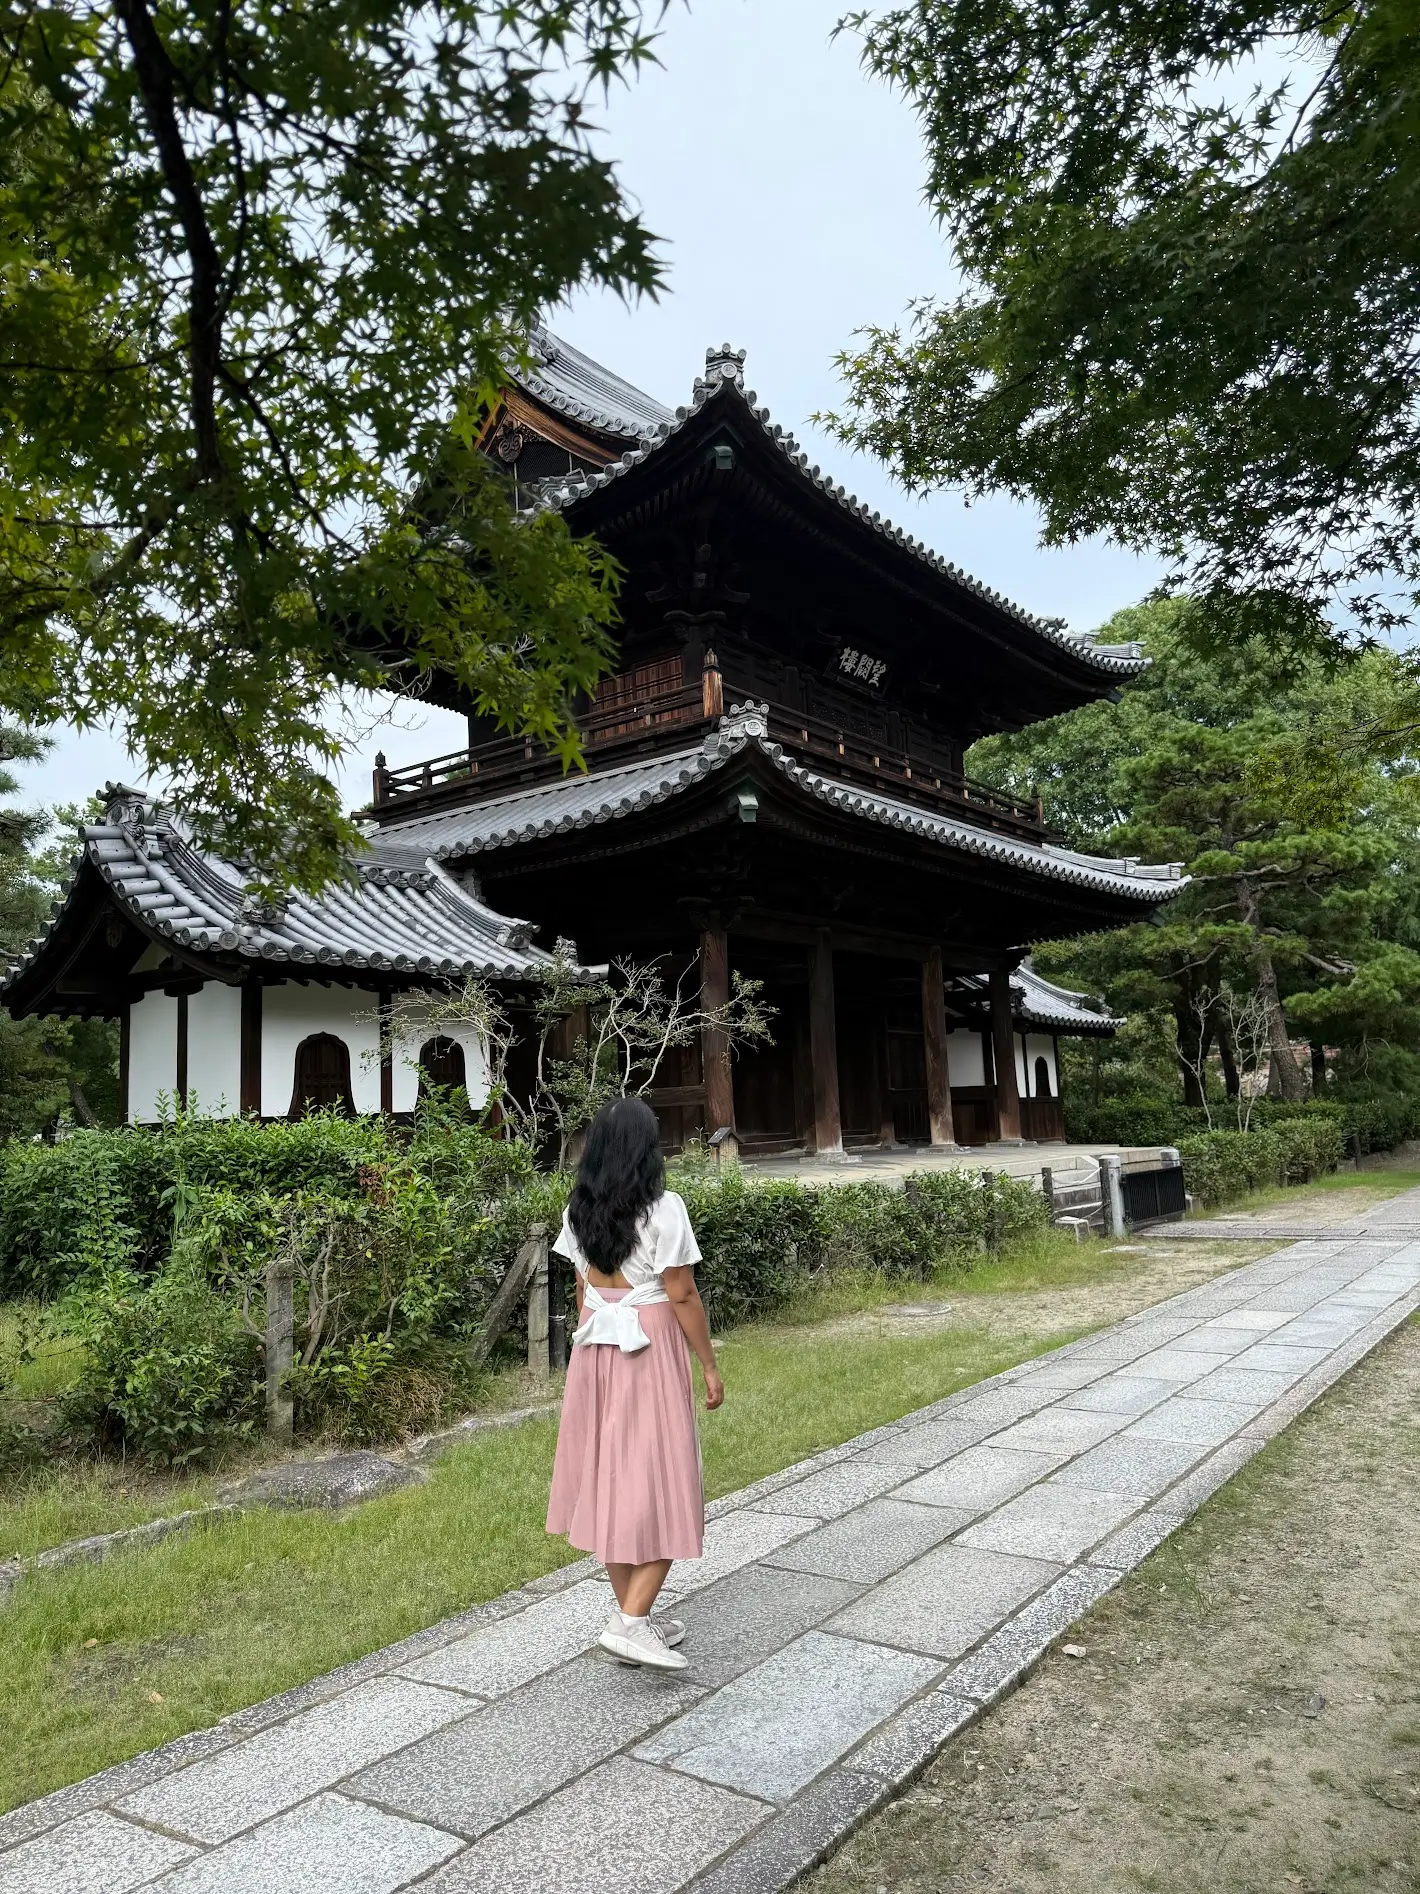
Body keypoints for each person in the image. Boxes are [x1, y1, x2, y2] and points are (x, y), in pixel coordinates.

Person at [546, 1095, 724, 1672]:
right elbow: (681, 1293)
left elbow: (580, 1293)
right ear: (647, 1149)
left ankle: (635, 1618)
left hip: (596, 1343)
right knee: (667, 1475)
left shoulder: (578, 1210)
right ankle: (629, 1621)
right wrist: (709, 1364)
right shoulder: (663, 1208)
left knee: (611, 1475)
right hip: (647, 1342)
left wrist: (587, 1352)